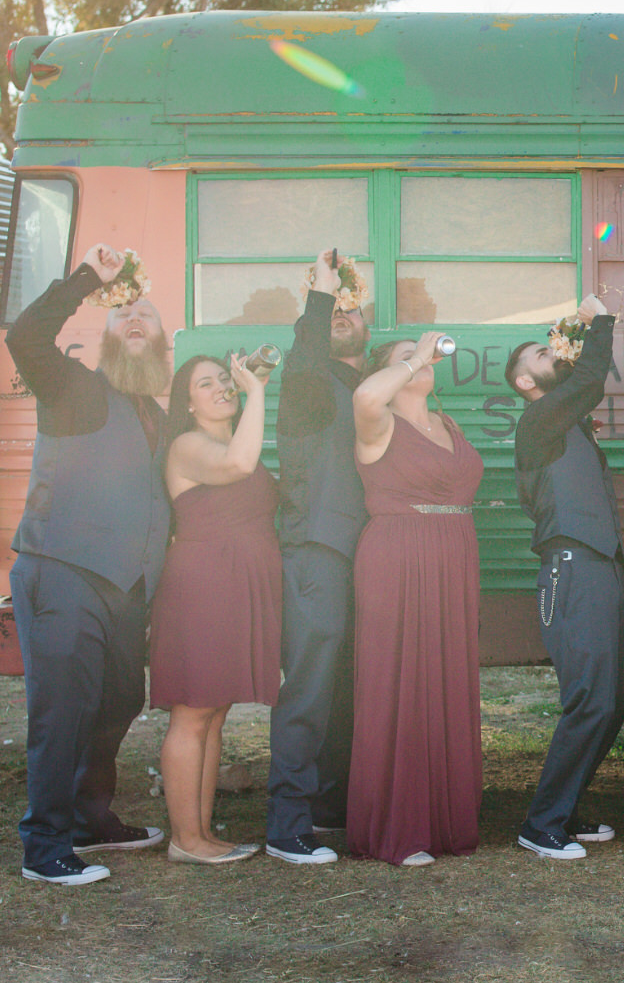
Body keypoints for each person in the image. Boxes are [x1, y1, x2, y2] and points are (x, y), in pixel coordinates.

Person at [8, 244, 172, 886]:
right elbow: (26, 335)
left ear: (162, 344)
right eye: (122, 313)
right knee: (63, 710)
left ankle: (85, 815)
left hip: (126, 592)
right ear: (103, 335)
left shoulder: (154, 413)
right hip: (63, 573)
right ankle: (44, 847)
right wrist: (88, 280)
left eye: (147, 317)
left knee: (121, 697)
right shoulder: (74, 386)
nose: (135, 319)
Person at [504, 295, 624, 860]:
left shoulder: (568, 424)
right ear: (523, 382)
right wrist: (598, 321)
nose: (550, 354)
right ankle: (541, 824)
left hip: (601, 570)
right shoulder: (539, 418)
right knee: (589, 699)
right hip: (572, 569)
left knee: (612, 698)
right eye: (540, 353)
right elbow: (586, 381)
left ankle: (567, 807)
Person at [348, 331, 484, 866]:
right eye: (403, 358)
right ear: (387, 372)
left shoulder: (447, 424)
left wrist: (414, 361)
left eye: (422, 356)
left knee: (443, 680)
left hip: (453, 557)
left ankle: (444, 823)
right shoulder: (378, 421)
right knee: (398, 682)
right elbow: (364, 397)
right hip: (398, 557)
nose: (421, 363)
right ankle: (396, 830)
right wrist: (416, 358)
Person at [152, 354, 281, 865]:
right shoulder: (189, 445)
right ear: (187, 402)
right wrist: (258, 394)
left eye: (224, 378)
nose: (222, 387)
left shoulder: (231, 438)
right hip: (205, 585)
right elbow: (239, 467)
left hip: (238, 583)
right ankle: (186, 839)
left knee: (214, 711)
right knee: (193, 710)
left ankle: (200, 834)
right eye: (207, 383)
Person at [266, 249, 369, 866]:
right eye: (336, 310)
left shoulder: (370, 384)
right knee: (307, 689)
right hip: (317, 550)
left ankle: (331, 805)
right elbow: (305, 353)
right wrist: (322, 295)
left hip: (368, 556)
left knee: (350, 687)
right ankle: (287, 825)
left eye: (354, 311)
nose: (343, 316)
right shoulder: (309, 381)